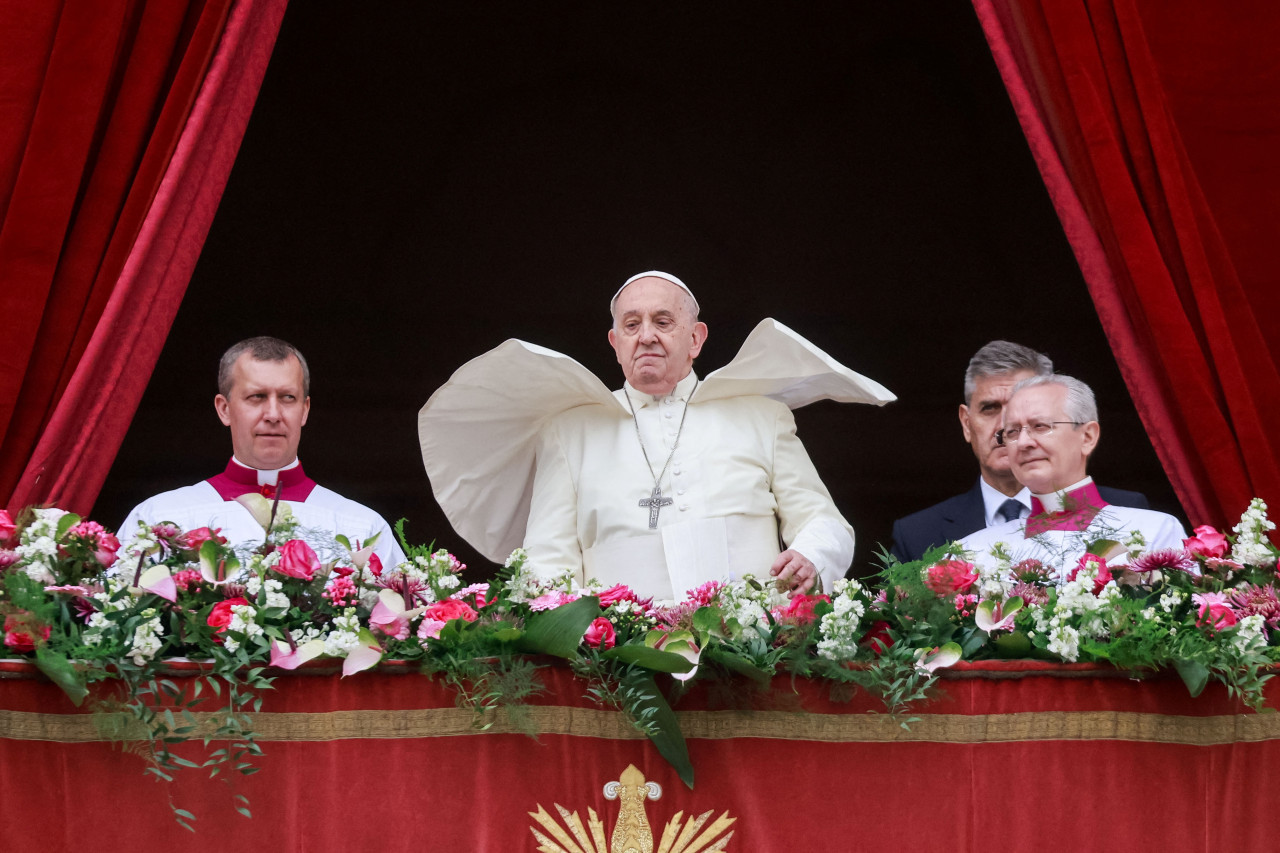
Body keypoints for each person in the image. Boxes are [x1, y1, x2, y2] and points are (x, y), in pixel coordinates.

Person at [417, 271, 895, 601]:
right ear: (615, 343)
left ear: (696, 338)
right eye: (632, 324)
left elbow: (826, 522)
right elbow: (549, 562)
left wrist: (811, 555)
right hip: (621, 675)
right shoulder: (570, 431)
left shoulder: (759, 415)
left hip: (754, 658)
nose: (646, 335)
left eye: (663, 322)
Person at [121, 337, 405, 567]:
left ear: (304, 410)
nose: (273, 414)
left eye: (287, 398)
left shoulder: (362, 526)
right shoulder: (160, 518)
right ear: (224, 409)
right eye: (256, 397)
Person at [889, 341, 1146, 563]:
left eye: (1026, 412)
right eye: (990, 408)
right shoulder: (917, 535)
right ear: (967, 424)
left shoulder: (1129, 514)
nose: (1005, 427)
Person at [959, 374, 1185, 575]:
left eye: (1040, 426)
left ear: (1087, 437)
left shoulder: (1154, 533)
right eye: (1012, 432)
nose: (1024, 442)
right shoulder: (974, 552)